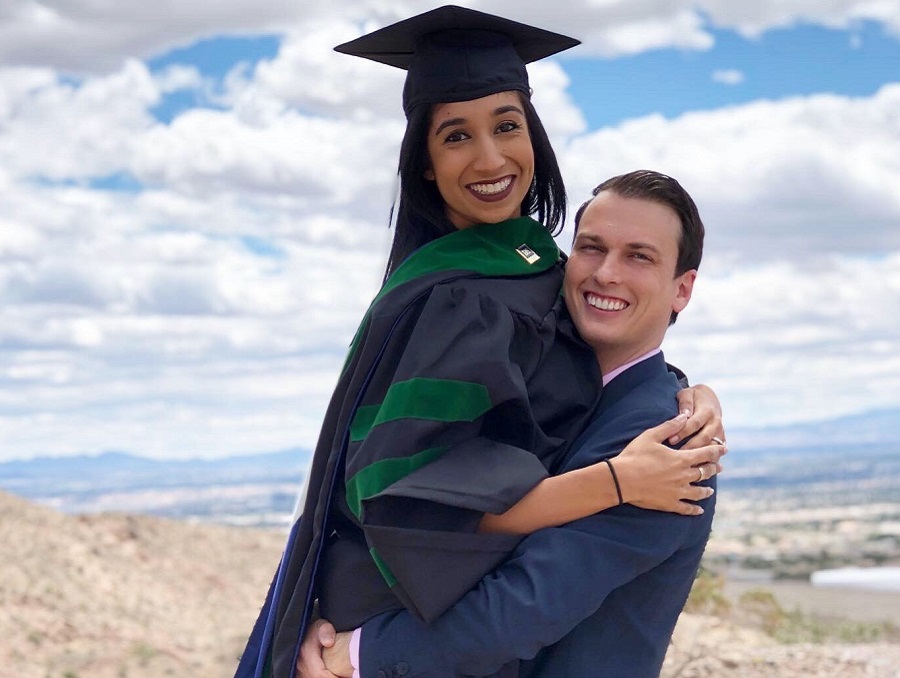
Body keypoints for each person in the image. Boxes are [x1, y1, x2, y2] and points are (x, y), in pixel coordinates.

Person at [235, 7, 725, 678]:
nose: (490, 158)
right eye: (456, 136)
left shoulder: (540, 275)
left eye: (506, 125)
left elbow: (616, 353)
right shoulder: (454, 298)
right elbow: (426, 509)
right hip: (403, 616)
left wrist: (688, 392)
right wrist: (617, 481)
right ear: (427, 165)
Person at [304, 170, 718, 678]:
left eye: (639, 256)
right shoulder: (545, 386)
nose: (606, 274)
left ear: (682, 290)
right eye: (591, 248)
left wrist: (357, 653)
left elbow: (523, 605)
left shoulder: (671, 441)